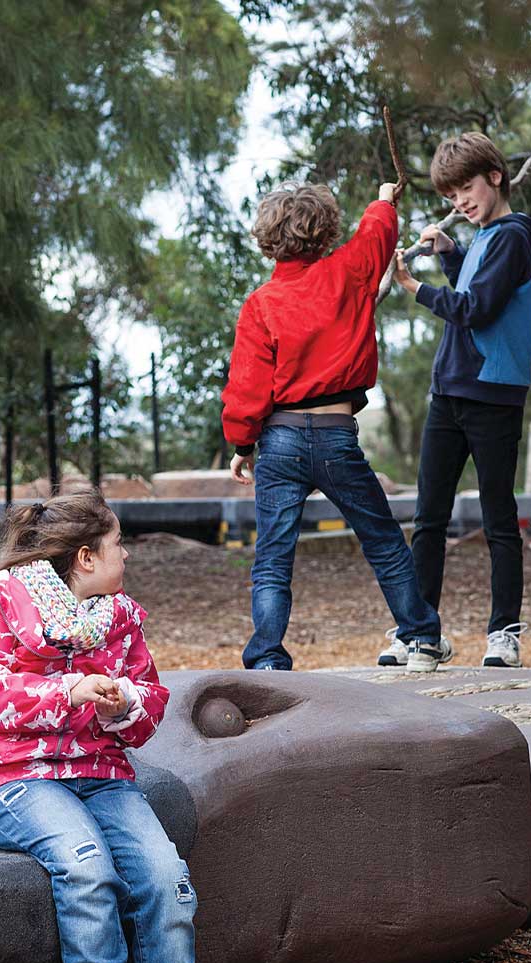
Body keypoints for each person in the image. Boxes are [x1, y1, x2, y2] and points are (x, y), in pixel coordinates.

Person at [0, 487, 232, 963]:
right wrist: (70, 691)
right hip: (6, 775)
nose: (125, 556)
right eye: (116, 545)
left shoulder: (120, 617)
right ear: (83, 558)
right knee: (84, 865)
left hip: (99, 773)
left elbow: (150, 705)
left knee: (163, 874)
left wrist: (125, 703)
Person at [223, 178, 448, 672]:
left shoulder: (261, 304)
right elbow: (376, 236)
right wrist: (385, 200)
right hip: (334, 435)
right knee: (383, 540)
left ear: (267, 240)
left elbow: (248, 384)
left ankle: (266, 658)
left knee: (273, 558)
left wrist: (242, 442)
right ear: (326, 233)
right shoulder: (348, 272)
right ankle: (421, 635)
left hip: (278, 440)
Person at [387, 131, 531, 668]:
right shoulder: (483, 238)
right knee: (429, 518)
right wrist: (450, 253)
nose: (460, 201)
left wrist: (413, 286)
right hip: (449, 391)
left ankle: (504, 632)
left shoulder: (513, 236)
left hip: (493, 395)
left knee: (498, 519)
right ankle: (421, 632)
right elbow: (475, 286)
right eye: (451, 194)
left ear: (496, 177)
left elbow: (477, 309)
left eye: (467, 187)